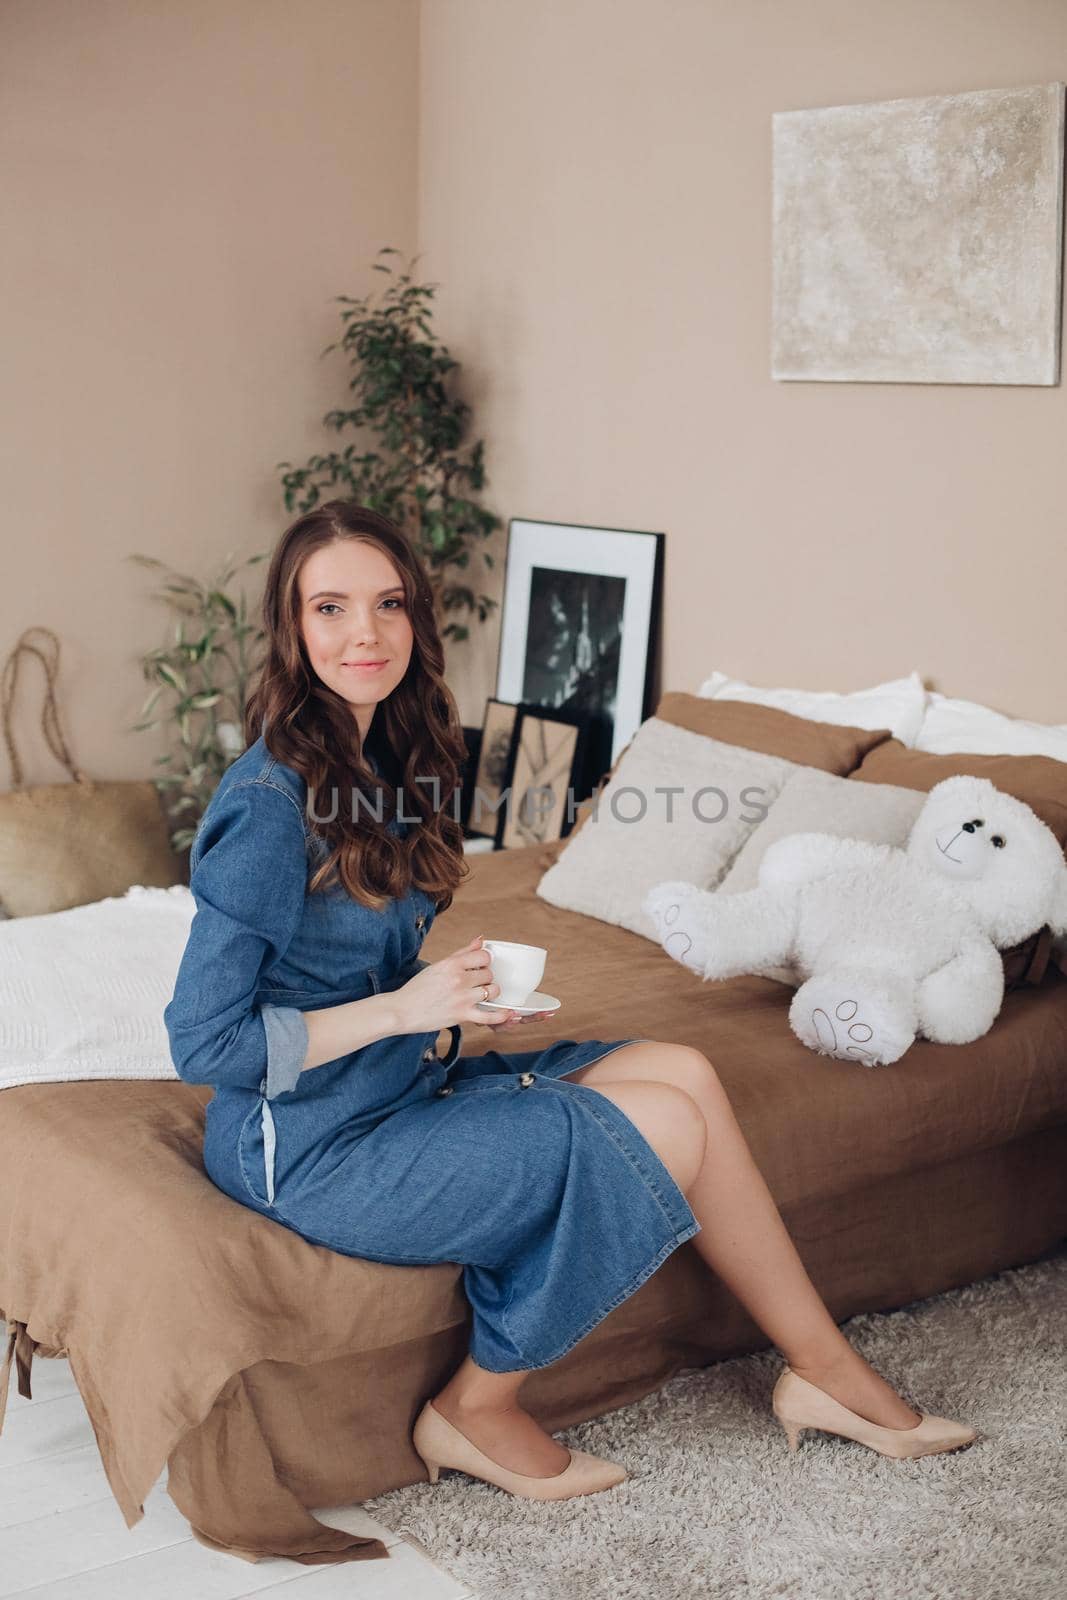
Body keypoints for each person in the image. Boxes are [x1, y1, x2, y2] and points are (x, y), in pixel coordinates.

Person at [164, 501, 977, 1502]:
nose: (362, 633)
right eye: (329, 608)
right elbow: (202, 1043)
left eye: (386, 604)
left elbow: (357, 966)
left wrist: (451, 1008)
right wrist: (402, 1012)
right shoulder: (266, 803)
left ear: (417, 618)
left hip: (395, 1081)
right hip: (307, 1143)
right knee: (661, 1123)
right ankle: (476, 1403)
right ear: (291, 630)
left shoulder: (385, 757)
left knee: (683, 1069)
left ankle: (824, 1373)